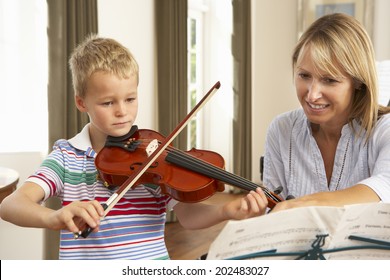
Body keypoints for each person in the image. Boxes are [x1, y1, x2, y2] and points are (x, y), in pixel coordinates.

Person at [0, 35, 267, 260]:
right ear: (81, 102)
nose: (122, 112)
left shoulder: (154, 155)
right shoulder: (67, 157)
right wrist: (55, 217)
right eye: (108, 103)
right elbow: (11, 204)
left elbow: (186, 215)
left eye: (130, 98)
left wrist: (226, 211)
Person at [263, 13, 390, 213]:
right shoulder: (282, 129)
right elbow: (272, 209)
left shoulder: (385, 131)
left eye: (329, 80)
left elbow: (384, 187)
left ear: (358, 81)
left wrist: (299, 205)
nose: (312, 95)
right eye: (304, 75)